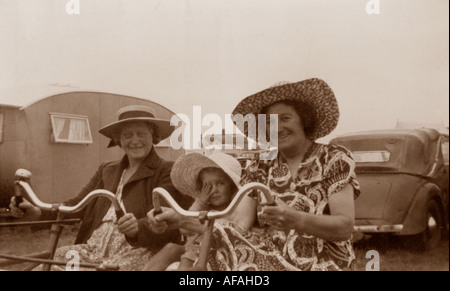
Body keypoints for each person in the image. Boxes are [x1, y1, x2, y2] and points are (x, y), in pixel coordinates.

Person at [148, 78, 360, 271]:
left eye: (285, 118)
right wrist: (180, 219)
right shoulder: (261, 165)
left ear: (304, 120)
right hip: (269, 261)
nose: (277, 128)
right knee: (209, 248)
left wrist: (295, 218)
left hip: (325, 263)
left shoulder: (333, 157)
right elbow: (236, 223)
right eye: (269, 122)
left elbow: (344, 228)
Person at [9, 105, 193, 271]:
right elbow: (77, 205)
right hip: (92, 248)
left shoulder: (167, 170)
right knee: (47, 266)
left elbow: (162, 218)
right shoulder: (108, 169)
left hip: (138, 251)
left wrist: (138, 227)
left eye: (141, 134)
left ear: (153, 136)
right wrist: (38, 211)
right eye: (128, 135)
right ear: (118, 140)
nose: (135, 140)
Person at [144, 152, 255, 271]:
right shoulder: (204, 207)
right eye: (207, 186)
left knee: (189, 258)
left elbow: (234, 229)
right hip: (194, 250)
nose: (214, 190)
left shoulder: (236, 207)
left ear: (232, 186)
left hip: (220, 250)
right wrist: (200, 201)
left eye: (221, 183)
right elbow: (184, 229)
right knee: (171, 248)